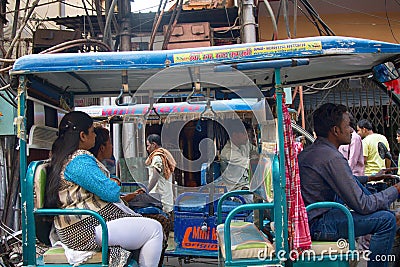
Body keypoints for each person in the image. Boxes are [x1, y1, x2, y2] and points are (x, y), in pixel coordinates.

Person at [45, 111, 163, 267]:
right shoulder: (79, 160)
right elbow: (111, 193)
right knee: (154, 229)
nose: (95, 136)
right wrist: (114, 183)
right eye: (92, 131)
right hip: (83, 230)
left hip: (76, 228)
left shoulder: (64, 158)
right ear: (83, 136)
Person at [298, 103, 400, 267]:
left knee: (372, 199)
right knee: (387, 220)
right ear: (335, 130)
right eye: (348, 126)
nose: (352, 130)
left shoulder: (315, 151)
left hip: (314, 217)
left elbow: (346, 180)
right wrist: (396, 189)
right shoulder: (332, 157)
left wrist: (370, 178)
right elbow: (363, 205)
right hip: (318, 223)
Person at [89, 126, 170, 267]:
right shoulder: (90, 167)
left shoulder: (97, 166)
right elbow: (110, 195)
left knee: (160, 221)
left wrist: (131, 194)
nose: (112, 147)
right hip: (102, 218)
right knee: (158, 225)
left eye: (148, 145)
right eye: (110, 143)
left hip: (110, 212)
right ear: (102, 147)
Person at [218, 122, 256, 196]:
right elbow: (250, 164)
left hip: (247, 184)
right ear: (235, 135)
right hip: (237, 189)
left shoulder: (245, 145)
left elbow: (256, 150)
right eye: (245, 134)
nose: (247, 137)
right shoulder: (227, 153)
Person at [145, 134, 176, 216]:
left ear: (154, 145)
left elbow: (155, 176)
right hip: (167, 198)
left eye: (148, 145)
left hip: (160, 198)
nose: (147, 148)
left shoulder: (157, 157)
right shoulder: (166, 155)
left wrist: (146, 191)